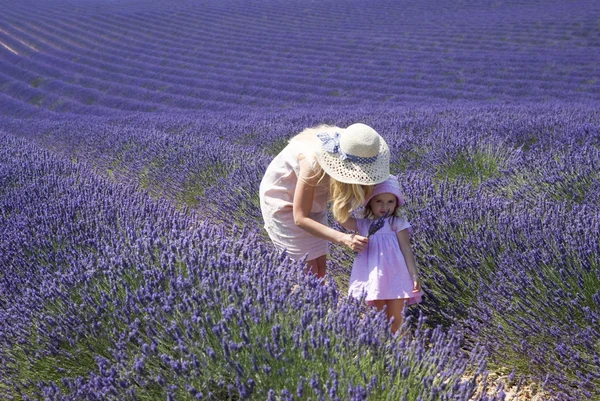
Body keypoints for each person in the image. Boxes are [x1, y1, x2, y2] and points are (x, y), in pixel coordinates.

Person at [259, 123, 390, 278]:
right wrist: (344, 238)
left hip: (315, 200)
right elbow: (300, 218)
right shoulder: (311, 163)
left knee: (320, 270)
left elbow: (343, 212)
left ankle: (316, 299)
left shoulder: (358, 145)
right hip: (284, 201)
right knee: (308, 273)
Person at [340, 175, 423, 333]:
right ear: (370, 202)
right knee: (381, 318)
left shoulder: (397, 223)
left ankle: (400, 348)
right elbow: (341, 219)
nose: (385, 206)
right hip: (375, 278)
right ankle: (385, 349)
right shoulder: (364, 225)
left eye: (390, 201)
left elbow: (406, 249)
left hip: (397, 276)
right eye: (379, 201)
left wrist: (414, 275)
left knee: (397, 318)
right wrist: (348, 194)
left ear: (396, 203)